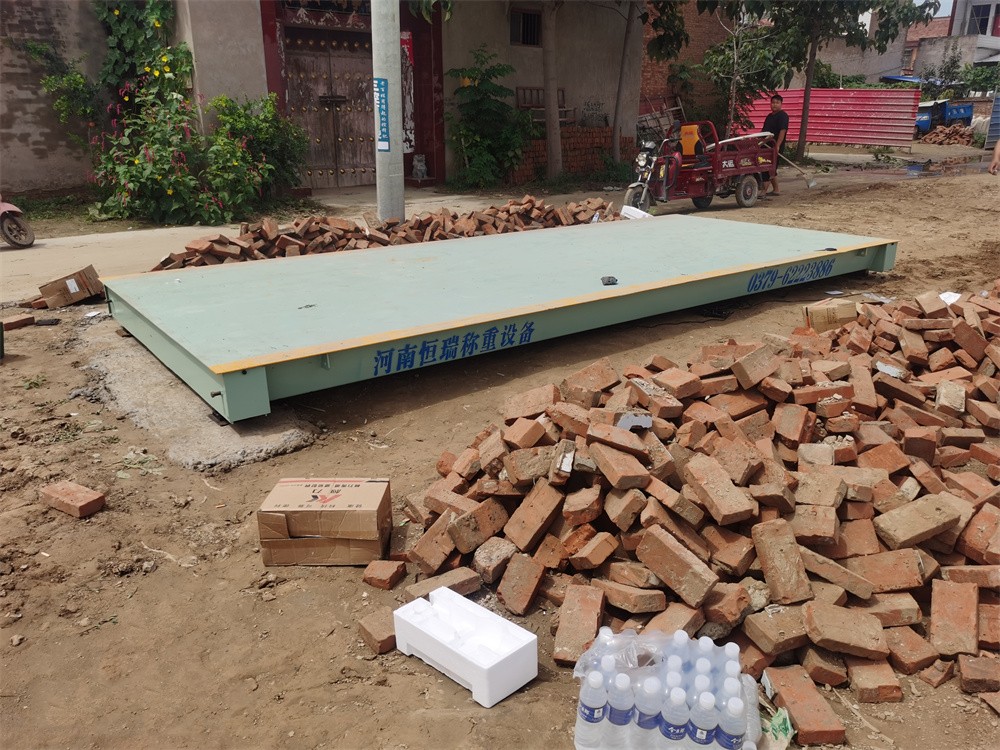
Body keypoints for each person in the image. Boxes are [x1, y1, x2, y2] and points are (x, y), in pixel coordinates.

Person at [762, 94, 789, 197]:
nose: (774, 105)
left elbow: (782, 131)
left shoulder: (783, 116)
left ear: (781, 104)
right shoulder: (769, 116)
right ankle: (776, 189)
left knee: (770, 167)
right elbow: (764, 131)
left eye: (777, 103)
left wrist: (777, 145)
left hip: (775, 146)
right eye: (773, 102)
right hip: (766, 145)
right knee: (768, 166)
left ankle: (763, 191)